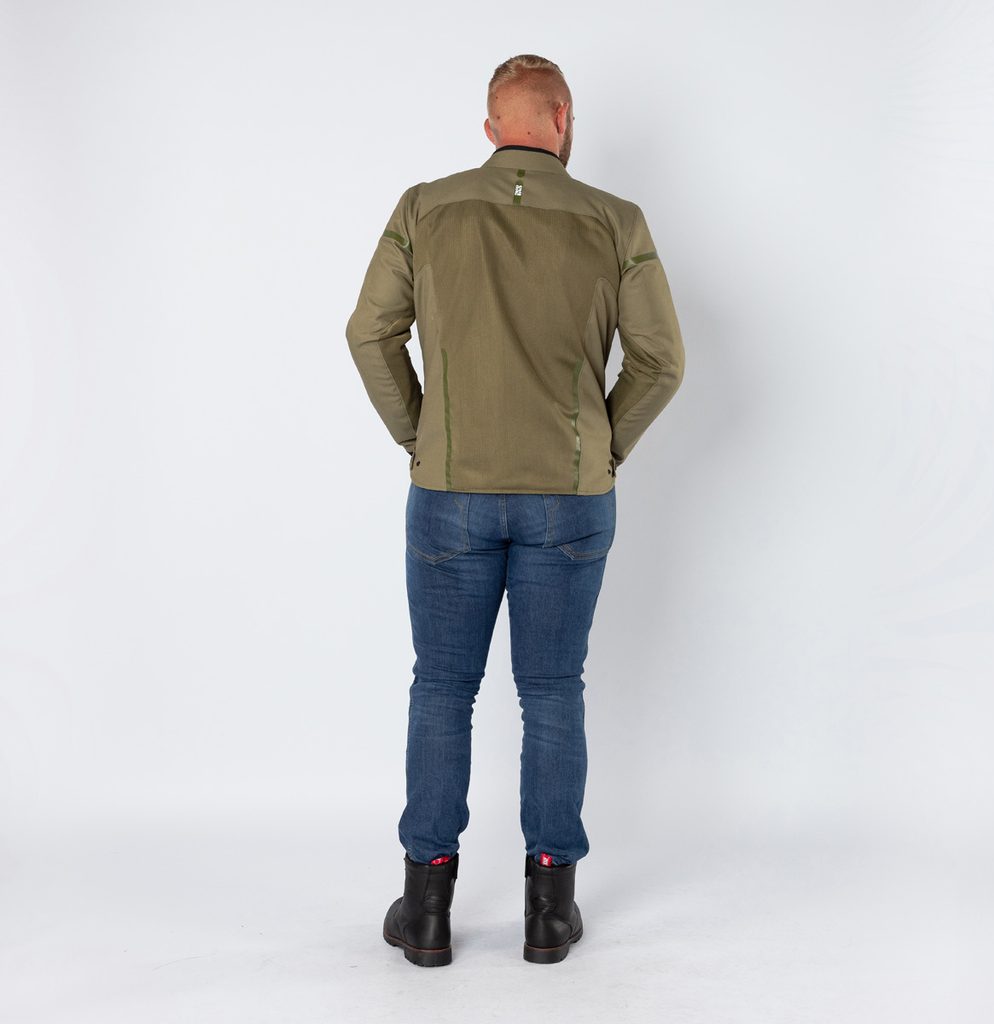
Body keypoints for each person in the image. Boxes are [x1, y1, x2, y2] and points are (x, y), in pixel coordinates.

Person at [345, 53, 685, 967]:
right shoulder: (616, 221)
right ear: (562, 120)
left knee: (441, 689)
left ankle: (426, 909)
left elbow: (368, 332)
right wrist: (601, 446)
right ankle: (548, 910)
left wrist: (422, 434)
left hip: (449, 492)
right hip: (569, 498)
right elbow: (663, 361)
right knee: (553, 692)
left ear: (493, 129)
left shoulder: (425, 208)